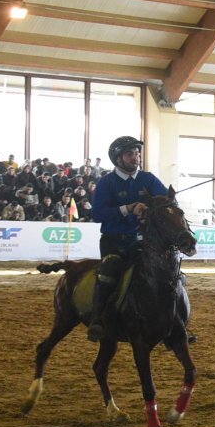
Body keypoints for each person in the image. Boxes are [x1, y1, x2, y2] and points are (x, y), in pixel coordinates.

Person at [87, 136, 168, 341]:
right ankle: (97, 320)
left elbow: (166, 201)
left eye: (137, 153)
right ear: (118, 158)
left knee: (163, 272)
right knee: (109, 271)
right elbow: (98, 214)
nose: (136, 157)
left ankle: (171, 320)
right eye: (130, 153)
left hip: (141, 240)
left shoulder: (149, 179)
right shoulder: (106, 183)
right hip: (113, 240)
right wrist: (129, 208)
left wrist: (149, 208)